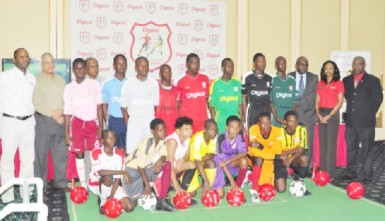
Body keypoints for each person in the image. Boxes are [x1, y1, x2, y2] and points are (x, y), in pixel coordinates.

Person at [0, 48, 36, 203]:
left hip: (28, 122)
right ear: (14, 60)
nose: (24, 58)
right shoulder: (4, 77)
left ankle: (25, 193)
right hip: (10, 122)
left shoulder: (32, 78)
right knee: (7, 160)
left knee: (28, 159)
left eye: (26, 56)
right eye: (21, 56)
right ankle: (7, 196)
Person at [342, 56, 383, 185]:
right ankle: (351, 172)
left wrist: (369, 112)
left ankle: (367, 175)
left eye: (359, 64)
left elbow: (378, 99)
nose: (356, 66)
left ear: (364, 66)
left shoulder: (373, 80)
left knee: (367, 150)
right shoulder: (346, 80)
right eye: (354, 64)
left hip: (366, 123)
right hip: (351, 123)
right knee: (351, 149)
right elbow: (348, 97)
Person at [33, 53, 69, 194]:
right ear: (42, 64)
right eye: (47, 62)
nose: (50, 65)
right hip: (43, 121)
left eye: (52, 62)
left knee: (61, 154)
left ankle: (60, 183)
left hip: (60, 121)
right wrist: (53, 114)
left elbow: (67, 99)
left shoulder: (61, 80)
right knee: (40, 155)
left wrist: (61, 112)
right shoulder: (37, 81)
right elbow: (36, 103)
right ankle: (41, 186)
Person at [64, 58, 103, 188]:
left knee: (95, 154)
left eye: (82, 68)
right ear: (73, 70)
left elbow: (99, 107)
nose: (80, 70)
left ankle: (94, 181)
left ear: (86, 69)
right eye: (77, 68)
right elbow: (67, 111)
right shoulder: (69, 88)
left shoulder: (94, 84)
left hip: (92, 124)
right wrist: (66, 132)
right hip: (77, 125)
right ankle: (84, 185)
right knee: (79, 154)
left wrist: (101, 129)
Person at [124, 118, 176, 212]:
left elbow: (164, 155)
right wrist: (147, 185)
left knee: (167, 165)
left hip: (144, 170)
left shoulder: (161, 141)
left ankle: (162, 200)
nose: (163, 132)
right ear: (153, 132)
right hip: (132, 172)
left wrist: (160, 160)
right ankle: (119, 190)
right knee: (131, 205)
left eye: (164, 130)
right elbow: (140, 166)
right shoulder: (147, 142)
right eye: (160, 130)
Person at [87, 129, 135, 214]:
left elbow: (117, 179)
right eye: (109, 137)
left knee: (130, 207)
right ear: (102, 140)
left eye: (114, 137)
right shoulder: (96, 152)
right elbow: (101, 172)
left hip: (113, 184)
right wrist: (122, 172)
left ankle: (110, 199)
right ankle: (102, 203)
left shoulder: (119, 153)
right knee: (108, 177)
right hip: (97, 183)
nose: (112, 139)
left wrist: (112, 196)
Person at [121, 57, 159, 155]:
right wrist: (128, 123)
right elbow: (123, 107)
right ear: (136, 68)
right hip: (134, 121)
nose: (144, 68)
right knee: (133, 151)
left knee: (149, 150)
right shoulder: (128, 84)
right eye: (141, 65)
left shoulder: (154, 83)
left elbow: (155, 106)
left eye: (146, 65)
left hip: (149, 121)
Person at [315, 60, 344, 178]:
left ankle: (330, 174)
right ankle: (322, 172)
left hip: (332, 114)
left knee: (331, 144)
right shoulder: (320, 83)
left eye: (331, 68)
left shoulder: (339, 83)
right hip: (321, 114)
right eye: (326, 68)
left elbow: (340, 102)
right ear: (323, 70)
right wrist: (319, 114)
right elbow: (317, 100)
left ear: (334, 70)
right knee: (323, 144)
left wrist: (329, 115)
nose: (328, 70)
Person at [288, 56, 318, 169]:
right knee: (293, 144)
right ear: (296, 65)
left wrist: (316, 114)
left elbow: (316, 97)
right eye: (301, 64)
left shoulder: (314, 78)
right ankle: (293, 167)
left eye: (306, 65)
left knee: (308, 143)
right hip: (293, 115)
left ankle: (308, 168)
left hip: (309, 116)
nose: (303, 66)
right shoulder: (289, 76)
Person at [247, 112, 282, 203]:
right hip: (255, 158)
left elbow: (277, 151)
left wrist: (261, 146)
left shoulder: (277, 131)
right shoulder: (253, 129)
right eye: (263, 123)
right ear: (258, 124)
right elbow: (254, 151)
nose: (266, 125)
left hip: (271, 160)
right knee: (259, 159)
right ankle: (254, 190)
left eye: (268, 122)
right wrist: (271, 154)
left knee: (280, 188)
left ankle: (251, 175)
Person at [212, 115, 248, 198]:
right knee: (220, 195)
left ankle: (237, 188)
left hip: (230, 163)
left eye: (237, 128)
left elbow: (243, 153)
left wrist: (230, 160)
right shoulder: (221, 138)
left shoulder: (240, 136)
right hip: (220, 166)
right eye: (232, 127)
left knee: (244, 161)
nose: (235, 130)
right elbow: (221, 163)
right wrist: (232, 180)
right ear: (227, 128)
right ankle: (229, 182)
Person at [174, 53, 210, 132]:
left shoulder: (205, 78)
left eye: (197, 63)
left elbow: (207, 100)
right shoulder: (179, 80)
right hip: (187, 123)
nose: (196, 65)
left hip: (202, 121)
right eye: (193, 63)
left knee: (200, 143)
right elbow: (176, 104)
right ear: (187, 64)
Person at [277, 111, 311, 195]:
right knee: (282, 157)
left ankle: (300, 182)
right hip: (283, 160)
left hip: (295, 159)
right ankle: (284, 174)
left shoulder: (302, 130)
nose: (294, 123)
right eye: (290, 121)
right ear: (285, 122)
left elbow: (302, 149)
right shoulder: (279, 132)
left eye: (295, 121)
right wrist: (293, 150)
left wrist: (291, 158)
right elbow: (278, 152)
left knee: (305, 159)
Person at [101, 54, 127, 151]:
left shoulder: (130, 83)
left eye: (124, 63)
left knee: (127, 148)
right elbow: (104, 105)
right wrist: (107, 121)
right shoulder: (107, 84)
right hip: (114, 121)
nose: (121, 66)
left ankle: (125, 166)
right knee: (114, 148)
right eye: (119, 63)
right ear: (114, 66)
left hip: (127, 120)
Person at [209, 58, 242, 133]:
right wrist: (214, 124)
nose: (231, 68)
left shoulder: (237, 83)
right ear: (222, 68)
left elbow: (240, 104)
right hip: (221, 120)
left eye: (232, 66)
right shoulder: (216, 84)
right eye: (229, 66)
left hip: (235, 120)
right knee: (222, 143)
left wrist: (242, 121)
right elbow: (212, 106)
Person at [187, 119, 218, 196]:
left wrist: (201, 159)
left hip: (200, 163)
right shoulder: (197, 139)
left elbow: (211, 154)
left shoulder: (213, 138)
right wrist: (206, 180)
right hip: (190, 167)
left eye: (215, 130)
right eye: (212, 130)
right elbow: (196, 162)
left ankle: (207, 188)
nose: (214, 132)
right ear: (205, 130)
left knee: (211, 163)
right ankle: (205, 182)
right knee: (192, 194)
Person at [241, 53, 272, 131]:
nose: (263, 63)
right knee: (252, 134)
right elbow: (243, 98)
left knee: (266, 133)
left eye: (264, 61)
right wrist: (244, 116)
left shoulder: (270, 77)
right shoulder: (247, 77)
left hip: (265, 110)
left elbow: (270, 97)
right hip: (253, 110)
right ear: (254, 63)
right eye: (260, 61)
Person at [165, 117, 196, 195]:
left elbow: (187, 154)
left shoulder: (187, 137)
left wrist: (182, 160)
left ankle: (183, 192)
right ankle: (174, 186)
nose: (190, 131)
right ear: (178, 131)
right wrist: (176, 185)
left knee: (192, 164)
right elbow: (169, 165)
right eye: (186, 129)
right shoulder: (172, 141)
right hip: (163, 169)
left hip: (176, 167)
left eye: (190, 128)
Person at [270, 56, 299, 127]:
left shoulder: (292, 80)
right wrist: (277, 118)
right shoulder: (272, 79)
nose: (283, 65)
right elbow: (270, 102)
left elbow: (295, 102)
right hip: (277, 114)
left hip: (289, 114)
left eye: (284, 63)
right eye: (280, 63)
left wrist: (292, 116)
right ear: (276, 65)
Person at [155, 64, 180, 136]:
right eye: (165, 72)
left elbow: (179, 110)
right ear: (160, 74)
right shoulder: (155, 89)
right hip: (159, 129)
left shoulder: (177, 90)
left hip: (173, 129)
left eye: (169, 72)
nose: (168, 74)